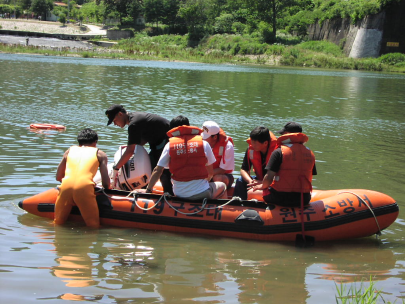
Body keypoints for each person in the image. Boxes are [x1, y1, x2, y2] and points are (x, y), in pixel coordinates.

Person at [138, 115, 228, 200]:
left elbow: (157, 171)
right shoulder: (204, 144)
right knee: (222, 186)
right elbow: (210, 173)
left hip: (179, 194)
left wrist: (148, 190)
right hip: (202, 193)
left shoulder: (169, 145)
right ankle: (219, 212)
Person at [105, 104, 173, 195]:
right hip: (158, 143)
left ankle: (168, 194)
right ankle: (147, 188)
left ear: (120, 114)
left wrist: (116, 168)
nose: (115, 124)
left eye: (115, 120)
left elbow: (130, 151)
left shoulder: (134, 124)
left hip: (167, 140)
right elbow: (140, 141)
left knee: (160, 168)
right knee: (151, 166)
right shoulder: (134, 118)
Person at [250, 122, 317, 207]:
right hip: (304, 199)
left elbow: (269, 177)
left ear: (287, 134)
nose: (281, 135)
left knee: (250, 193)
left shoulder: (279, 152)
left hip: (280, 197)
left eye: (282, 133)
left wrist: (261, 186)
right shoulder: (310, 153)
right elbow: (310, 175)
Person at [54, 128, 110, 228]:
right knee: (93, 227)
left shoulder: (69, 151)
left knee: (58, 223)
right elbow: (106, 182)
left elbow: (58, 176)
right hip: (85, 188)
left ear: (79, 142)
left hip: (65, 187)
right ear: (95, 142)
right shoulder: (100, 154)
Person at [233, 126, 277, 200]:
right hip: (257, 180)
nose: (252, 145)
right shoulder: (251, 149)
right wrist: (250, 181)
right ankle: (239, 205)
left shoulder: (277, 152)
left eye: (254, 143)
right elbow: (243, 169)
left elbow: (279, 177)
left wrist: (262, 183)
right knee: (240, 181)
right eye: (251, 141)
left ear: (265, 143)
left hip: (271, 183)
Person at [201, 121, 235, 189]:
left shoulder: (227, 146)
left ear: (215, 137)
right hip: (203, 174)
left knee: (219, 178)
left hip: (222, 175)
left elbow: (222, 170)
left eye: (205, 137)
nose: (202, 139)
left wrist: (204, 175)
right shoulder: (199, 142)